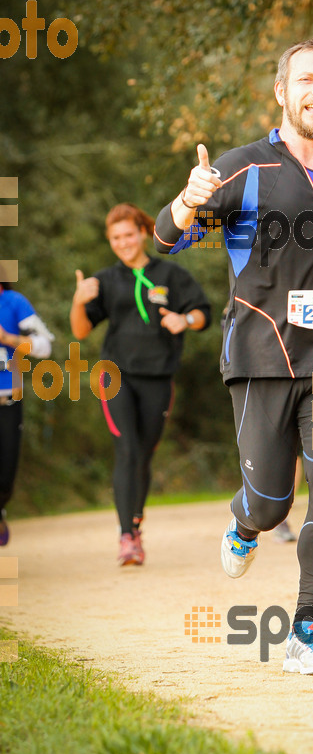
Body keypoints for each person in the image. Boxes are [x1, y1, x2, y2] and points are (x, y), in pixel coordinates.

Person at [154, 36, 313, 674]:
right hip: (262, 356)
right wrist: (188, 200)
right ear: (282, 91)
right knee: (271, 502)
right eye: (307, 80)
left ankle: (308, 629)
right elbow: (166, 237)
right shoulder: (243, 168)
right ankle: (243, 521)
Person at [70, 203, 211, 566]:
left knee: (144, 454)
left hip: (158, 377)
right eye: (116, 237)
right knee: (127, 449)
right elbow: (81, 329)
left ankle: (134, 523)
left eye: (129, 234)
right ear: (110, 241)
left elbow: (203, 313)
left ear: (143, 233)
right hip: (114, 375)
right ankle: (126, 537)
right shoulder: (103, 281)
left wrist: (185, 319)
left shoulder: (171, 275)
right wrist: (78, 301)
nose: (123, 242)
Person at [0, 279, 54, 545]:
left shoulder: (14, 302)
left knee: (5, 476)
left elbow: (45, 347)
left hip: (8, 400)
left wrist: (7, 338)